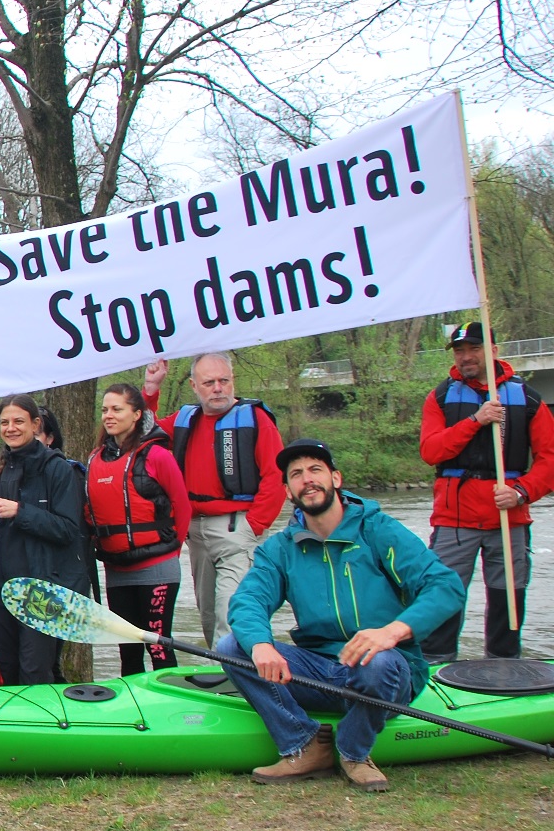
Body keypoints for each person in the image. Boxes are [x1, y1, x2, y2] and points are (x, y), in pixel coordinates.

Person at [219, 439, 466, 792]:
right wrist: (260, 645)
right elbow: (248, 602)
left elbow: (445, 586)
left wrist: (393, 632)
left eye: (316, 470)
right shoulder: (279, 549)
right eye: (297, 474)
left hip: (387, 671)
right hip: (319, 672)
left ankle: (353, 752)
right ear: (288, 491)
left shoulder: (377, 530)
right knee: (233, 647)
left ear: (336, 478)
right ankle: (303, 744)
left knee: (377, 660)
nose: (308, 479)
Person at [418, 321, 554, 661]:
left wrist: (521, 492)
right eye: (460, 351)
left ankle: (505, 665)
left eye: (474, 349)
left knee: (507, 597)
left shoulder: (528, 399)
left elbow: (549, 460)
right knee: (443, 593)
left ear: (492, 350)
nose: (466, 357)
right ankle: (437, 663)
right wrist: (474, 421)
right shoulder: (440, 397)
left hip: (508, 515)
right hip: (454, 519)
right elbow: (431, 451)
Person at [142, 353, 286, 645]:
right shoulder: (186, 419)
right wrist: (151, 390)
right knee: (208, 616)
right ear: (195, 386)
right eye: (209, 382)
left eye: (224, 381)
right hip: (196, 532)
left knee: (231, 615)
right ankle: (223, 681)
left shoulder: (255, 419)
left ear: (233, 381)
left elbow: (276, 474)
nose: (218, 388)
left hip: (238, 528)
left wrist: (255, 524)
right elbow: (142, 432)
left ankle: (239, 684)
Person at [0, 395, 88, 685]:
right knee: (6, 667)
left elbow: (68, 530)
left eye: (18, 421)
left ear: (35, 424)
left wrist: (20, 512)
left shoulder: (58, 468)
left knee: (36, 670)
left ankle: (41, 727)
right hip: (1, 589)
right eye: (5, 422)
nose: (11, 428)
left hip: (43, 589)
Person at [87, 384, 191, 675]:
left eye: (117, 409)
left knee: (158, 648)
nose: (109, 415)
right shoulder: (95, 459)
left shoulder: (158, 456)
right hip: (118, 571)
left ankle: (169, 706)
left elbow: (182, 508)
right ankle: (135, 713)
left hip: (158, 568)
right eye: (105, 409)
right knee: (128, 651)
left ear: (136, 414)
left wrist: (172, 550)